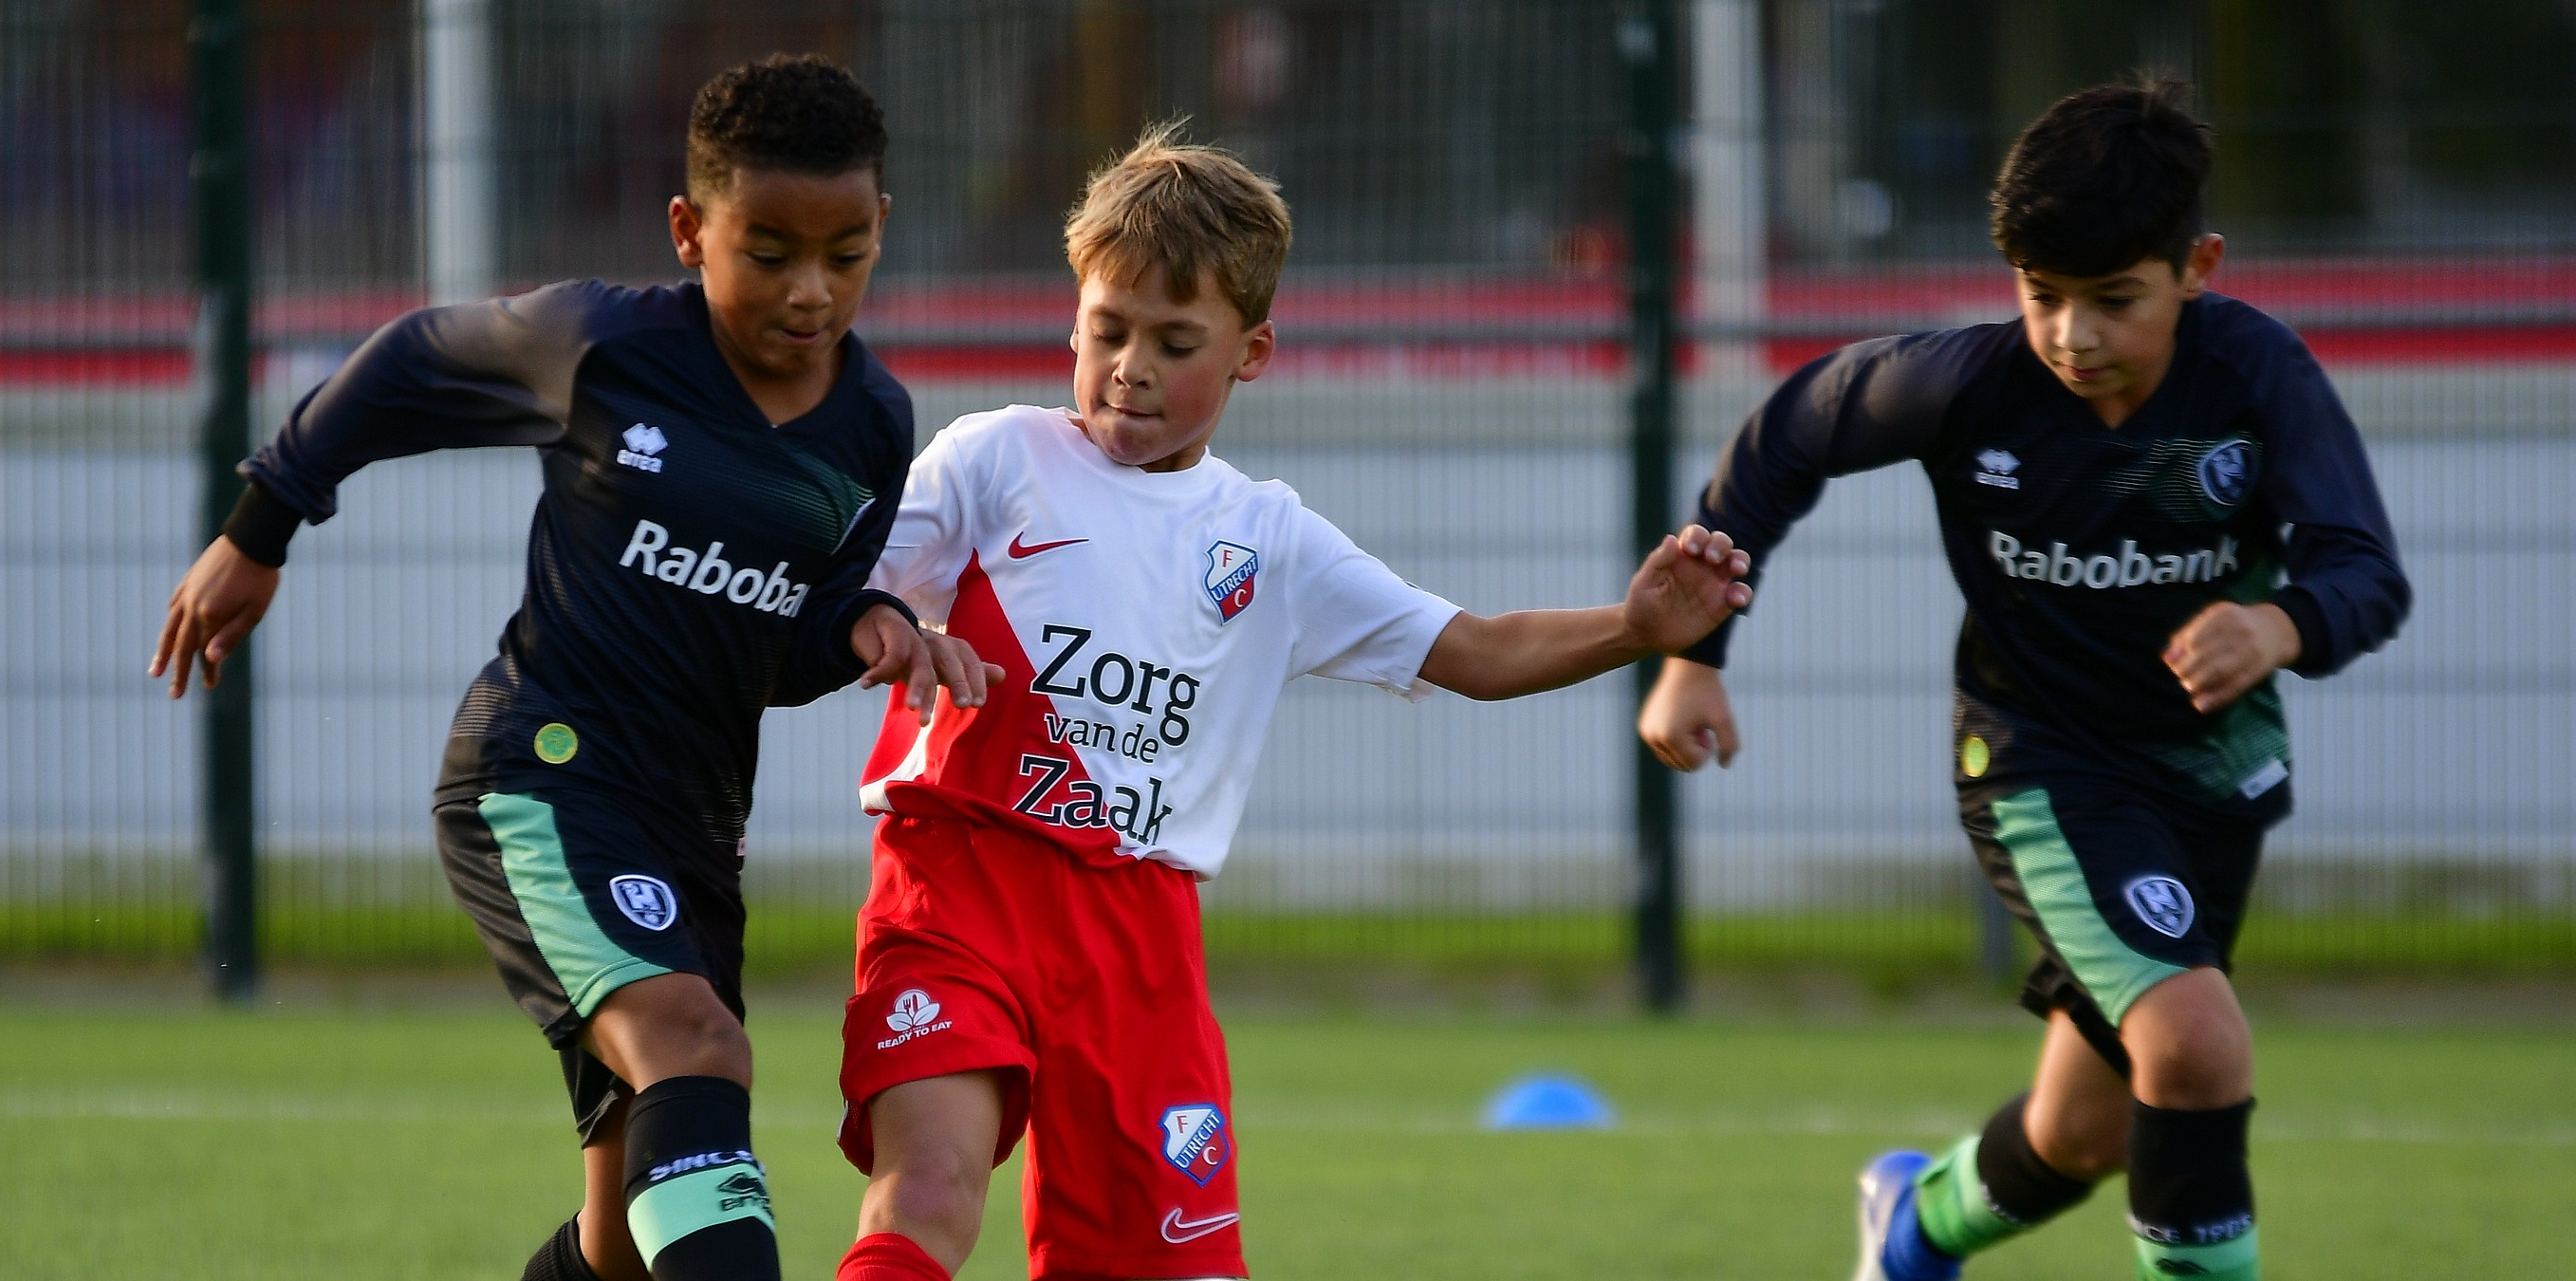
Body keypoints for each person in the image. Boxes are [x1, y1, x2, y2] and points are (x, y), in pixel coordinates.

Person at [827, 125, 1755, 1281]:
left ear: (1252, 351)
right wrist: (894, 626)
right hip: (958, 882)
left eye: (1175, 342)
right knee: (929, 1189)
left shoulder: (1268, 538)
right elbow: (858, 588)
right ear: (1074, 317)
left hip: (1140, 935)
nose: (1131, 367)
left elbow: (1469, 646)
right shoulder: (992, 458)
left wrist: (1635, 630)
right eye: (1108, 330)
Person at [146, 54, 992, 1281]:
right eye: (767, 251)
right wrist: (261, 522)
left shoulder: (871, 424)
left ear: (881, 230)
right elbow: (409, 361)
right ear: (688, 230)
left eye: (845, 252)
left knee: (615, 1239)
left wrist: (861, 629)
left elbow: (780, 641)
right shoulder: (605, 345)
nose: (810, 290)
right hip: (542, 776)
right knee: (697, 1048)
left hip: (695, 827)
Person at [1634, 77, 2411, 1281]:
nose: (2072, 337)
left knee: (2086, 1128)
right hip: (2040, 767)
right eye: (2042, 298)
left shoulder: (2257, 380)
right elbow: (1788, 435)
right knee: (2197, 1045)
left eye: (2113, 300)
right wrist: (1695, 656)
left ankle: (1911, 1223)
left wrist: (2283, 625)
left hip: (2213, 776)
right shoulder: (1966, 385)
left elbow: (2366, 571)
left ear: (2197, 265)